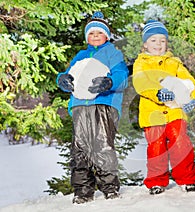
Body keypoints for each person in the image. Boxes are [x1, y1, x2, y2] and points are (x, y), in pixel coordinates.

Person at [56, 11, 129, 203]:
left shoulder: (112, 53)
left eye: (99, 33)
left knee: (102, 145)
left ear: (107, 35)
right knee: (80, 148)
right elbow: (69, 73)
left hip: (104, 104)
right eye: (91, 33)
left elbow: (121, 74)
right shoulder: (80, 56)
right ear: (86, 36)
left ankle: (110, 187)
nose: (95, 36)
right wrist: (62, 79)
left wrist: (109, 82)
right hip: (80, 105)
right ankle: (82, 191)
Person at [132, 20, 195, 195]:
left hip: (174, 111)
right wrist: (157, 93)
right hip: (152, 113)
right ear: (145, 44)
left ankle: (186, 179)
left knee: (180, 142)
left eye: (162, 40)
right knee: (156, 147)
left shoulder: (175, 63)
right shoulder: (141, 63)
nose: (158, 44)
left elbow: (191, 83)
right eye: (154, 40)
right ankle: (156, 181)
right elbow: (140, 82)